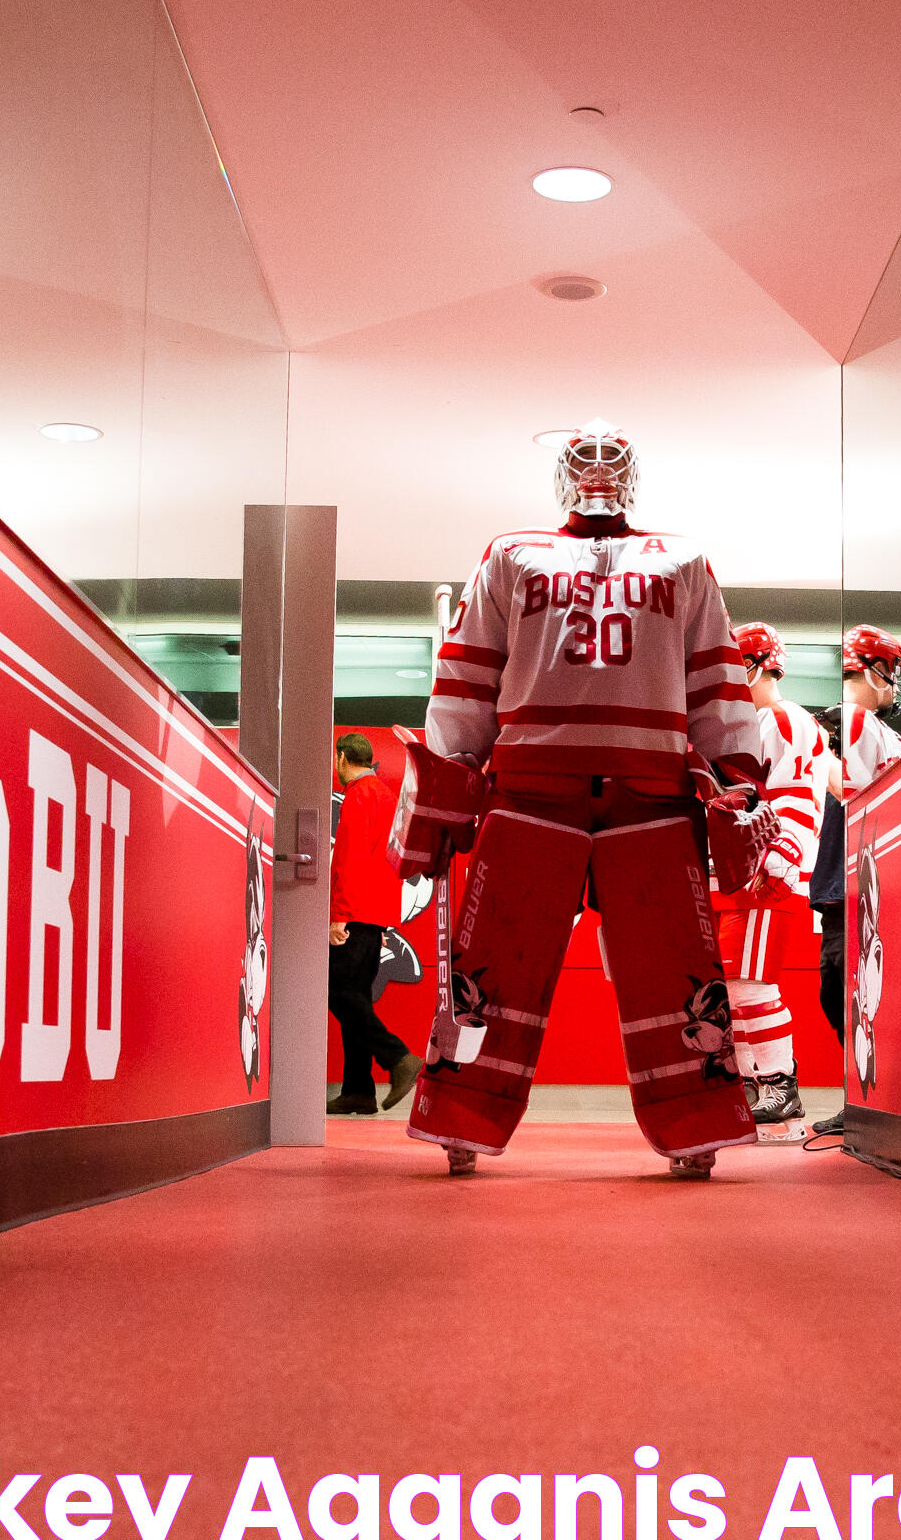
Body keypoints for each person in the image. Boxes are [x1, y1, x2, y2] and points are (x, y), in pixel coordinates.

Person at [402, 419, 765, 1178]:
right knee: (492, 962)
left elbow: (715, 679)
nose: (599, 471)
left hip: (653, 796)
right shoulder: (509, 553)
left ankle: (695, 1127)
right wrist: (443, 788)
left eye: (613, 459)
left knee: (676, 970)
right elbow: (469, 675)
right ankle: (463, 1117)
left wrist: (738, 782)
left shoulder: (685, 559)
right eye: (584, 459)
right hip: (532, 790)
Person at [709, 622, 829, 1140]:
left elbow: (798, 795)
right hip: (746, 875)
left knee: (751, 985)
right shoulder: (759, 720)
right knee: (735, 988)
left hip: (765, 877)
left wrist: (777, 860)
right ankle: (762, 1086)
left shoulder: (781, 718)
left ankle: (779, 1085)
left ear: (757, 664)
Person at [808, 623, 901, 1136]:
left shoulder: (860, 725)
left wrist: (820, 750)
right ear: (874, 670)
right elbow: (852, 789)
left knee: (846, 990)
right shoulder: (859, 722)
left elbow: (847, 788)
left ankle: (870, 1099)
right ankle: (867, 1097)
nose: (894, 684)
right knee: (845, 991)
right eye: (891, 672)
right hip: (856, 879)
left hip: (861, 878)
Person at [327, 733, 422, 1114]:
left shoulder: (358, 795)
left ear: (343, 758)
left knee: (339, 993)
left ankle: (399, 1058)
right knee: (358, 998)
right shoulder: (387, 797)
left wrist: (338, 915)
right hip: (378, 916)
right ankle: (358, 1090)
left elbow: (348, 857)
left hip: (355, 914)